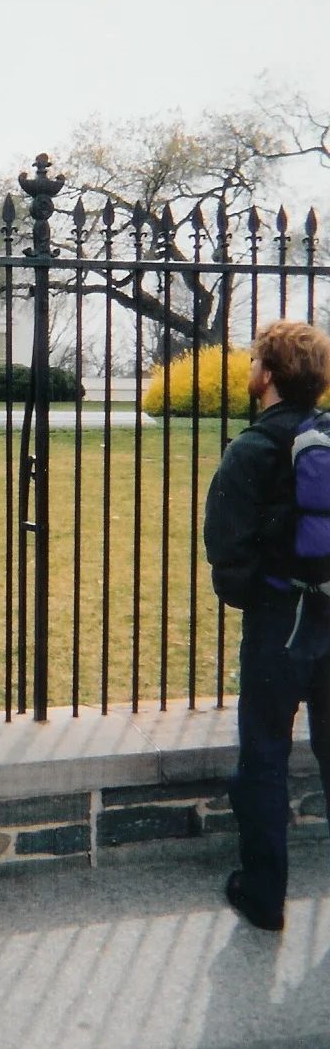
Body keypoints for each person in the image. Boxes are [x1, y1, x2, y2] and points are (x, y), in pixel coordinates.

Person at [204, 319, 330, 932]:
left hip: (280, 623)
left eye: (255, 359)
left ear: (269, 375)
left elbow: (226, 554)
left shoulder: (251, 449)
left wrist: (265, 593)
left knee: (264, 756)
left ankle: (263, 895)